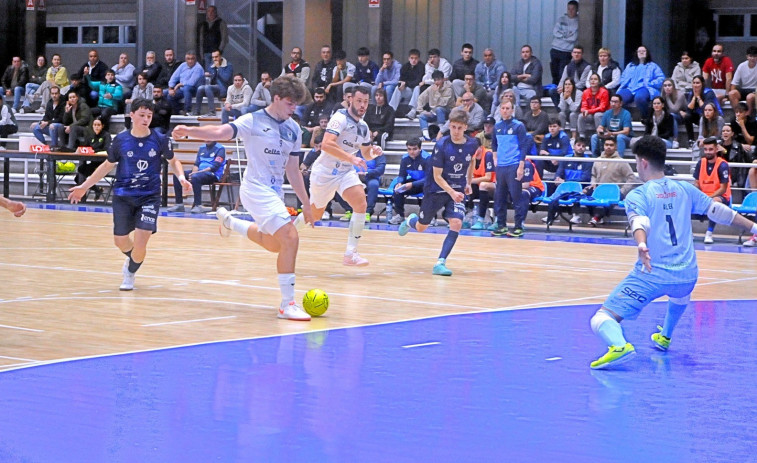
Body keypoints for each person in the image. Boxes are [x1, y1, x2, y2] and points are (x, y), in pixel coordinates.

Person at [588, 135, 757, 369]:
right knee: (679, 294)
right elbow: (719, 211)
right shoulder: (684, 188)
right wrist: (753, 227)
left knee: (601, 318)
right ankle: (665, 336)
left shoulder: (638, 194)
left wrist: (641, 244)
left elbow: (639, 222)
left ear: (643, 162)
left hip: (653, 275)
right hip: (687, 276)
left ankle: (619, 346)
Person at [171, 74, 313, 321]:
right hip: (255, 188)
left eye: (296, 104)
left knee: (275, 244)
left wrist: (306, 203)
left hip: (274, 192)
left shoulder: (294, 129)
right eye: (290, 103)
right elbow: (221, 131)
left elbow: (292, 169)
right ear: (276, 98)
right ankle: (286, 304)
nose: (294, 108)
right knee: (291, 237)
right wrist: (190, 130)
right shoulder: (252, 120)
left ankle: (230, 222)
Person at [68, 98, 191, 292]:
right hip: (123, 196)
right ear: (131, 115)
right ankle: (134, 259)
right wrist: (84, 186)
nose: (146, 119)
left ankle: (130, 271)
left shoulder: (160, 139)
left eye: (149, 116)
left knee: (142, 241)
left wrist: (182, 177)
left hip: (149, 196)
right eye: (142, 115)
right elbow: (107, 165)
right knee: (121, 241)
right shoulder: (121, 140)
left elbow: (174, 161)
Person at [301, 86, 384, 266]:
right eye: (359, 101)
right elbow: (326, 145)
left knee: (361, 203)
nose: (362, 105)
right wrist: (351, 157)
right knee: (314, 215)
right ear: (350, 100)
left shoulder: (363, 127)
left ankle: (350, 253)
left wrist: (374, 152)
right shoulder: (339, 119)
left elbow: (366, 154)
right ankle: (288, 232)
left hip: (345, 171)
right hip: (325, 172)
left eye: (365, 102)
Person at [398, 108, 477, 276]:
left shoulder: (472, 143)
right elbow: (437, 176)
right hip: (436, 189)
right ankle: (411, 221)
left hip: (457, 189)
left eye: (459, 128)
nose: (456, 131)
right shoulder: (442, 145)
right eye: (453, 127)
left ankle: (440, 262)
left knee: (456, 223)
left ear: (465, 127)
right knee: (421, 227)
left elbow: (472, 162)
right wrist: (451, 192)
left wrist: (468, 183)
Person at [491, 99, 530, 237]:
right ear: (500, 109)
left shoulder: (518, 126)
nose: (505, 110)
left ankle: (519, 226)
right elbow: (494, 144)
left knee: (516, 197)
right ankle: (501, 225)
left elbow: (524, 146)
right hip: (501, 166)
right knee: (499, 197)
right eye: (503, 108)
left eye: (508, 108)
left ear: (512, 110)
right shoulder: (497, 126)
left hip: (513, 165)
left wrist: (521, 166)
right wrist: (495, 158)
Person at [583, 137, 636, 226]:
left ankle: (596, 218)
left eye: (611, 145)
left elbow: (631, 177)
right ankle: (595, 216)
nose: (608, 147)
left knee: (609, 199)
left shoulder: (621, 162)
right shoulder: (598, 160)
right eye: (606, 145)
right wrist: (593, 183)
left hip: (614, 192)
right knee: (585, 194)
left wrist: (622, 191)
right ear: (603, 146)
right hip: (599, 190)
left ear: (615, 147)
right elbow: (593, 175)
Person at [167, 141, 226, 214]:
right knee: (177, 175)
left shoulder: (220, 148)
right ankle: (179, 204)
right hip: (199, 173)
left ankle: (198, 205)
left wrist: (197, 173)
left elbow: (215, 166)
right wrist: (193, 173)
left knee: (196, 177)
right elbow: (197, 164)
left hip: (213, 174)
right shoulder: (202, 148)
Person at [694, 137, 732, 244]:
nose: (708, 152)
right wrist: (697, 194)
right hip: (704, 195)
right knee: (686, 201)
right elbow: (696, 183)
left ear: (716, 150)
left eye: (710, 149)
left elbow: (723, 188)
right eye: (706, 149)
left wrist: (708, 198)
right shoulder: (700, 163)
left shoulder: (722, 165)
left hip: (721, 196)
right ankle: (688, 233)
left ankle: (709, 233)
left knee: (714, 203)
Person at [388, 137, 431, 225]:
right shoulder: (405, 158)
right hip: (414, 183)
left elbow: (429, 178)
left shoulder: (427, 158)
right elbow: (402, 175)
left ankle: (428, 217)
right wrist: (400, 183)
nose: (411, 152)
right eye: (409, 149)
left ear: (420, 148)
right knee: (398, 190)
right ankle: (400, 215)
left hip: (427, 183)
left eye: (414, 149)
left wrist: (412, 184)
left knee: (429, 189)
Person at [616, 45, 665, 119]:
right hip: (630, 88)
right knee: (618, 98)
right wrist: (624, 84)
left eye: (643, 51)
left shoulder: (653, 66)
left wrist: (650, 83)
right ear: (636, 53)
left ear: (647, 53)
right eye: (639, 51)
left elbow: (661, 78)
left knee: (639, 97)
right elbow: (623, 77)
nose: (641, 52)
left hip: (645, 88)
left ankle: (646, 117)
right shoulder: (630, 65)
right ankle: (623, 117)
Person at [75, 117, 111, 200]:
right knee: (78, 176)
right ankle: (97, 189)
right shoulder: (90, 136)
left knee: (82, 172)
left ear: (102, 126)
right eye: (95, 125)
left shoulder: (106, 135)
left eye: (98, 125)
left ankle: (85, 195)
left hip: (103, 164)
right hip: (93, 162)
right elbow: (86, 147)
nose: (96, 127)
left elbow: (107, 149)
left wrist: (93, 151)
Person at [416, 70, 455, 141]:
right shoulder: (431, 88)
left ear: (443, 79)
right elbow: (421, 98)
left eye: (439, 80)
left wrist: (437, 92)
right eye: (435, 80)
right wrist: (421, 110)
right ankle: (426, 136)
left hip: (448, 112)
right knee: (422, 116)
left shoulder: (449, 88)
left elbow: (443, 103)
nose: (437, 82)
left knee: (439, 109)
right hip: (435, 112)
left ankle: (442, 132)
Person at [469, 131, 497, 230]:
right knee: (463, 186)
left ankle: (481, 219)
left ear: (480, 147)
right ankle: (465, 216)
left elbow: (488, 177)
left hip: (494, 186)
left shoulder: (488, 155)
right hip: (479, 186)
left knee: (483, 185)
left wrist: (471, 181)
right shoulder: (471, 157)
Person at [683, 75, 721, 147]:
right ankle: (691, 140)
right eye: (694, 83)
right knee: (687, 116)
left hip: (712, 116)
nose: (695, 85)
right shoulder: (691, 93)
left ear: (702, 84)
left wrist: (698, 97)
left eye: (697, 83)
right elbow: (688, 110)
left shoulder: (709, 92)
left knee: (703, 115)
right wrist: (694, 97)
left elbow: (706, 108)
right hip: (700, 116)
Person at [195, 49, 233, 116]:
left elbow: (226, 79)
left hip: (224, 88)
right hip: (214, 88)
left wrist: (219, 68)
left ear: (220, 56)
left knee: (207, 87)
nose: (214, 59)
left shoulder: (228, 65)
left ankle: (212, 111)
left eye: (216, 57)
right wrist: (209, 74)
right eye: (213, 57)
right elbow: (211, 77)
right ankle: (197, 111)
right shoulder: (212, 65)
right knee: (200, 88)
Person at [549, 0, 579, 85]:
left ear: (577, 10)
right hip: (555, 49)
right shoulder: (561, 19)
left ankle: (561, 89)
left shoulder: (578, 22)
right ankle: (554, 90)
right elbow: (555, 32)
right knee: (554, 72)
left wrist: (561, 34)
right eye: (568, 8)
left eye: (573, 9)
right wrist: (566, 35)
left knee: (562, 73)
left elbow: (573, 38)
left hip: (566, 51)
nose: (570, 11)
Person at [167, 51, 204, 116]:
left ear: (195, 59)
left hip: (194, 90)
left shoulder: (198, 68)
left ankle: (187, 110)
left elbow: (191, 83)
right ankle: (177, 111)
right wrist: (171, 88)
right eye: (188, 59)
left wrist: (179, 85)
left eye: (192, 59)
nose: (190, 61)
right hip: (181, 90)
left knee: (187, 88)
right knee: (168, 94)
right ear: (185, 59)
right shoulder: (183, 65)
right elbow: (174, 77)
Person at [390, 48, 424, 116]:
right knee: (398, 88)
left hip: (417, 92)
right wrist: (401, 84)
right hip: (408, 90)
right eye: (412, 58)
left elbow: (418, 81)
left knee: (417, 87)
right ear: (409, 58)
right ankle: (391, 109)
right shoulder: (405, 67)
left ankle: (413, 110)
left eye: (416, 58)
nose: (413, 60)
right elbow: (402, 79)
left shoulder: (421, 67)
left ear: (419, 59)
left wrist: (406, 83)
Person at [728, 46, 757, 114]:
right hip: (744, 89)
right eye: (750, 56)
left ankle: (748, 115)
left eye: (755, 56)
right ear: (747, 56)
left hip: (755, 90)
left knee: (750, 97)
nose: (752, 58)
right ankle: (739, 113)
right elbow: (734, 83)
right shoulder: (741, 66)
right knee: (732, 93)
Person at [198, 6, 229, 70]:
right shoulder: (204, 24)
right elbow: (201, 40)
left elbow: (224, 38)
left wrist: (220, 51)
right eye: (209, 11)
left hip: (217, 52)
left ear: (216, 12)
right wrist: (201, 54)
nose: (210, 13)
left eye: (212, 11)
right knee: (208, 73)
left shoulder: (221, 23)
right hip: (206, 53)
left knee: (217, 72)